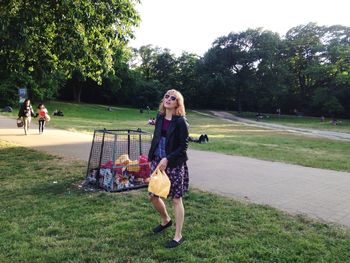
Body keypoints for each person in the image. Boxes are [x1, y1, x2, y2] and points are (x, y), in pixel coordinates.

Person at [148, 89, 189, 248]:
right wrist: (151, 158)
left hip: (173, 164)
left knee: (176, 199)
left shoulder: (181, 121)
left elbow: (183, 146)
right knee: (152, 195)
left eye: (173, 98)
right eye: (166, 96)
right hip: (157, 162)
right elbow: (157, 139)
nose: (169, 99)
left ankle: (178, 236)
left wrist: (168, 158)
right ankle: (166, 220)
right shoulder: (159, 117)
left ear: (178, 103)